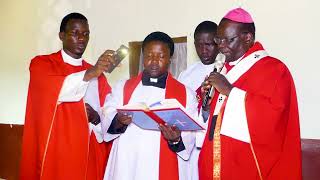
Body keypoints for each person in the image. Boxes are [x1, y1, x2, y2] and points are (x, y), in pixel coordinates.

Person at [198, 8, 302, 180]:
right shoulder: (223, 70)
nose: (221, 46)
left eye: (228, 40)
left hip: (244, 167)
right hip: (214, 162)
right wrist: (206, 105)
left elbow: (273, 118)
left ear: (247, 37)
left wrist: (230, 91)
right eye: (218, 39)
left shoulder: (273, 70)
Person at [20, 12, 116, 179]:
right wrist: (91, 72)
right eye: (75, 33)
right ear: (61, 35)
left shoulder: (98, 77)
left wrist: (96, 118)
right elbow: (56, 91)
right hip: (55, 153)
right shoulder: (42, 64)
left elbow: (108, 112)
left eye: (86, 34)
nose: (81, 38)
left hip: (88, 154)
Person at [101, 31, 201, 180]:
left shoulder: (187, 94)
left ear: (170, 59)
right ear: (142, 56)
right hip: (127, 162)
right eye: (149, 55)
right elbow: (106, 112)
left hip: (165, 164)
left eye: (161, 56)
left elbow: (191, 132)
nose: (154, 61)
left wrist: (176, 139)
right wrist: (118, 120)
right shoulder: (123, 87)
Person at [177, 21, 219, 180]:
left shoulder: (225, 70)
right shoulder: (186, 74)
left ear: (218, 42)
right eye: (199, 45)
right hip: (187, 142)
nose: (203, 50)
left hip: (211, 142)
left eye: (208, 44)